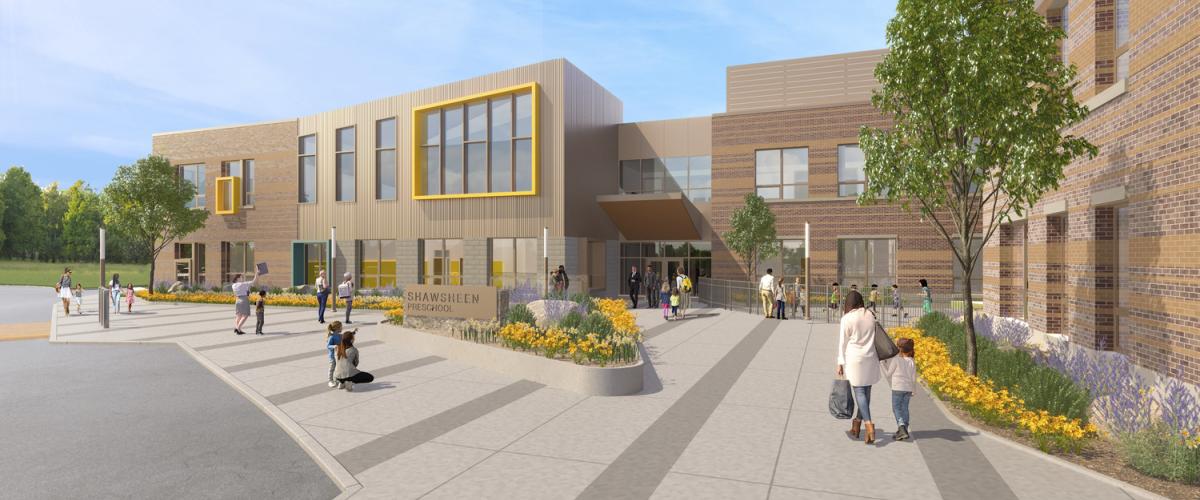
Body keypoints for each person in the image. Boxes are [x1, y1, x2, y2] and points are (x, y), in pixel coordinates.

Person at [837, 290, 880, 445]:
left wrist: (840, 362)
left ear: (848, 304)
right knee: (866, 393)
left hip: (855, 359)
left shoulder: (847, 318)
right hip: (870, 357)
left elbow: (842, 342)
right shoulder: (871, 315)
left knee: (860, 393)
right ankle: (856, 424)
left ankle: (869, 425)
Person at [882, 337, 916, 441]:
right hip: (908, 388)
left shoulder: (896, 360)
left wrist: (882, 364)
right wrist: (914, 389)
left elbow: (888, 374)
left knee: (896, 408)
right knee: (905, 408)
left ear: (899, 349)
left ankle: (901, 428)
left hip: (897, 388)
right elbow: (913, 377)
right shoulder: (911, 361)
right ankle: (904, 429)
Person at [326, 321, 345, 387]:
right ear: (337, 328)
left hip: (339, 355)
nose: (342, 328)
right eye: (341, 327)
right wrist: (334, 346)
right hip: (332, 356)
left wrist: (353, 333)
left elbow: (346, 337)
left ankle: (337, 380)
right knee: (332, 368)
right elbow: (328, 346)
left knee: (339, 368)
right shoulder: (332, 337)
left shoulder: (340, 335)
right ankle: (330, 381)